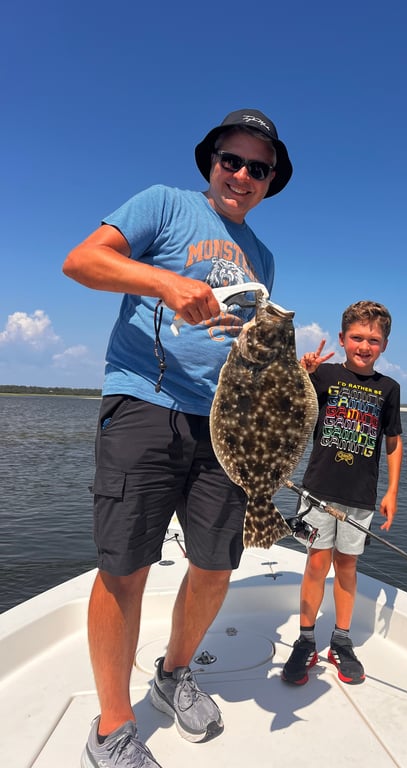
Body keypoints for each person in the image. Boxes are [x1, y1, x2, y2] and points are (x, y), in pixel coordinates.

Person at [62, 108, 293, 768]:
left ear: (269, 181)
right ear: (212, 163)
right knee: (125, 567)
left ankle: (172, 672)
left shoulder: (263, 257)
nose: (242, 175)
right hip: (144, 399)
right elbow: (82, 261)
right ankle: (112, 727)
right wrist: (165, 281)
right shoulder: (164, 204)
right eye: (231, 160)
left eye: (258, 168)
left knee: (217, 565)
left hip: (224, 423)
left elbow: (245, 350)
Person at [282, 301, 403, 686]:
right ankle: (305, 641)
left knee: (347, 567)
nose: (364, 346)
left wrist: (392, 491)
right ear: (342, 339)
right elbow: (289, 401)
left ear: (384, 345)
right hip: (318, 490)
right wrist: (302, 370)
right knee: (317, 564)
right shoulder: (325, 375)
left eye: (373, 340)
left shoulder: (389, 388)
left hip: (360, 496)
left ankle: (341, 640)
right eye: (357, 337)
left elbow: (393, 441)